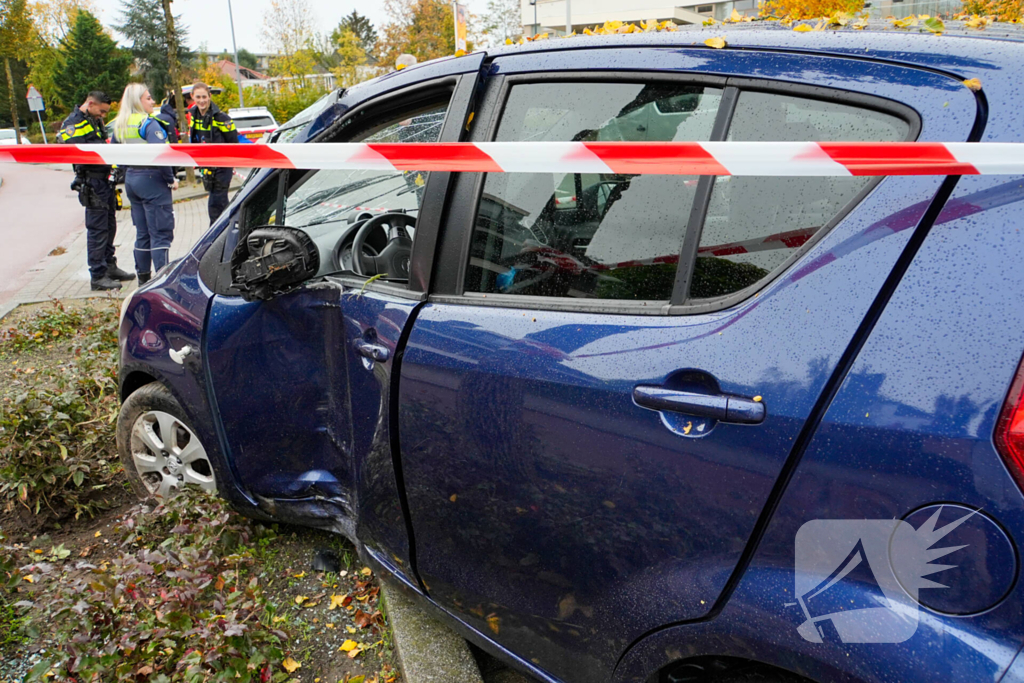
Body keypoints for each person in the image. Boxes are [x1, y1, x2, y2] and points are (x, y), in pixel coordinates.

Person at [59, 91, 134, 290]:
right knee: (98, 231)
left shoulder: (94, 120)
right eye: (101, 111)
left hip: (105, 181)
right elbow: (72, 148)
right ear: (90, 103)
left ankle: (110, 267)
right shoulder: (73, 123)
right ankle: (98, 276)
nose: (103, 116)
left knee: (109, 227)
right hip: (92, 183)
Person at [111, 84, 178, 284]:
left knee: (142, 233)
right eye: (148, 98)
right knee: (160, 233)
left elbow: (115, 155)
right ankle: (161, 281)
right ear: (138, 101)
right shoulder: (148, 124)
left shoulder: (120, 125)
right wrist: (171, 179)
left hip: (132, 179)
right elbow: (161, 156)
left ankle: (143, 279)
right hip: (153, 181)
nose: (153, 102)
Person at [187, 82, 238, 223]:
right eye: (198, 97)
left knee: (216, 205)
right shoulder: (194, 116)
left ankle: (217, 236)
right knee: (218, 202)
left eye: (204, 97)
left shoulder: (222, 118)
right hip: (207, 167)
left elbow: (234, 142)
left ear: (209, 96)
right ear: (192, 97)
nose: (202, 100)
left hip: (222, 167)